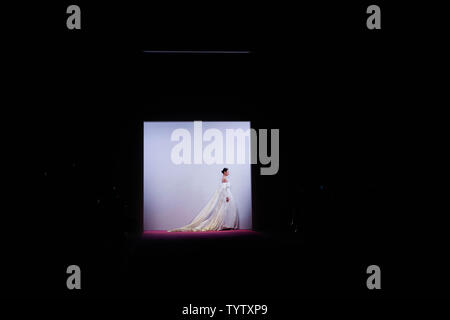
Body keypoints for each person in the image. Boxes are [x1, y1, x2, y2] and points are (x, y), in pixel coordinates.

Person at [168, 168, 239, 231]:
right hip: (226, 195)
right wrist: (226, 196)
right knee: (223, 210)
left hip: (228, 194)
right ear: (224, 172)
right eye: (227, 171)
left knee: (227, 210)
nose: (228, 173)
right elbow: (223, 189)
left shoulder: (225, 178)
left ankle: (226, 224)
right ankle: (222, 224)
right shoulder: (224, 179)